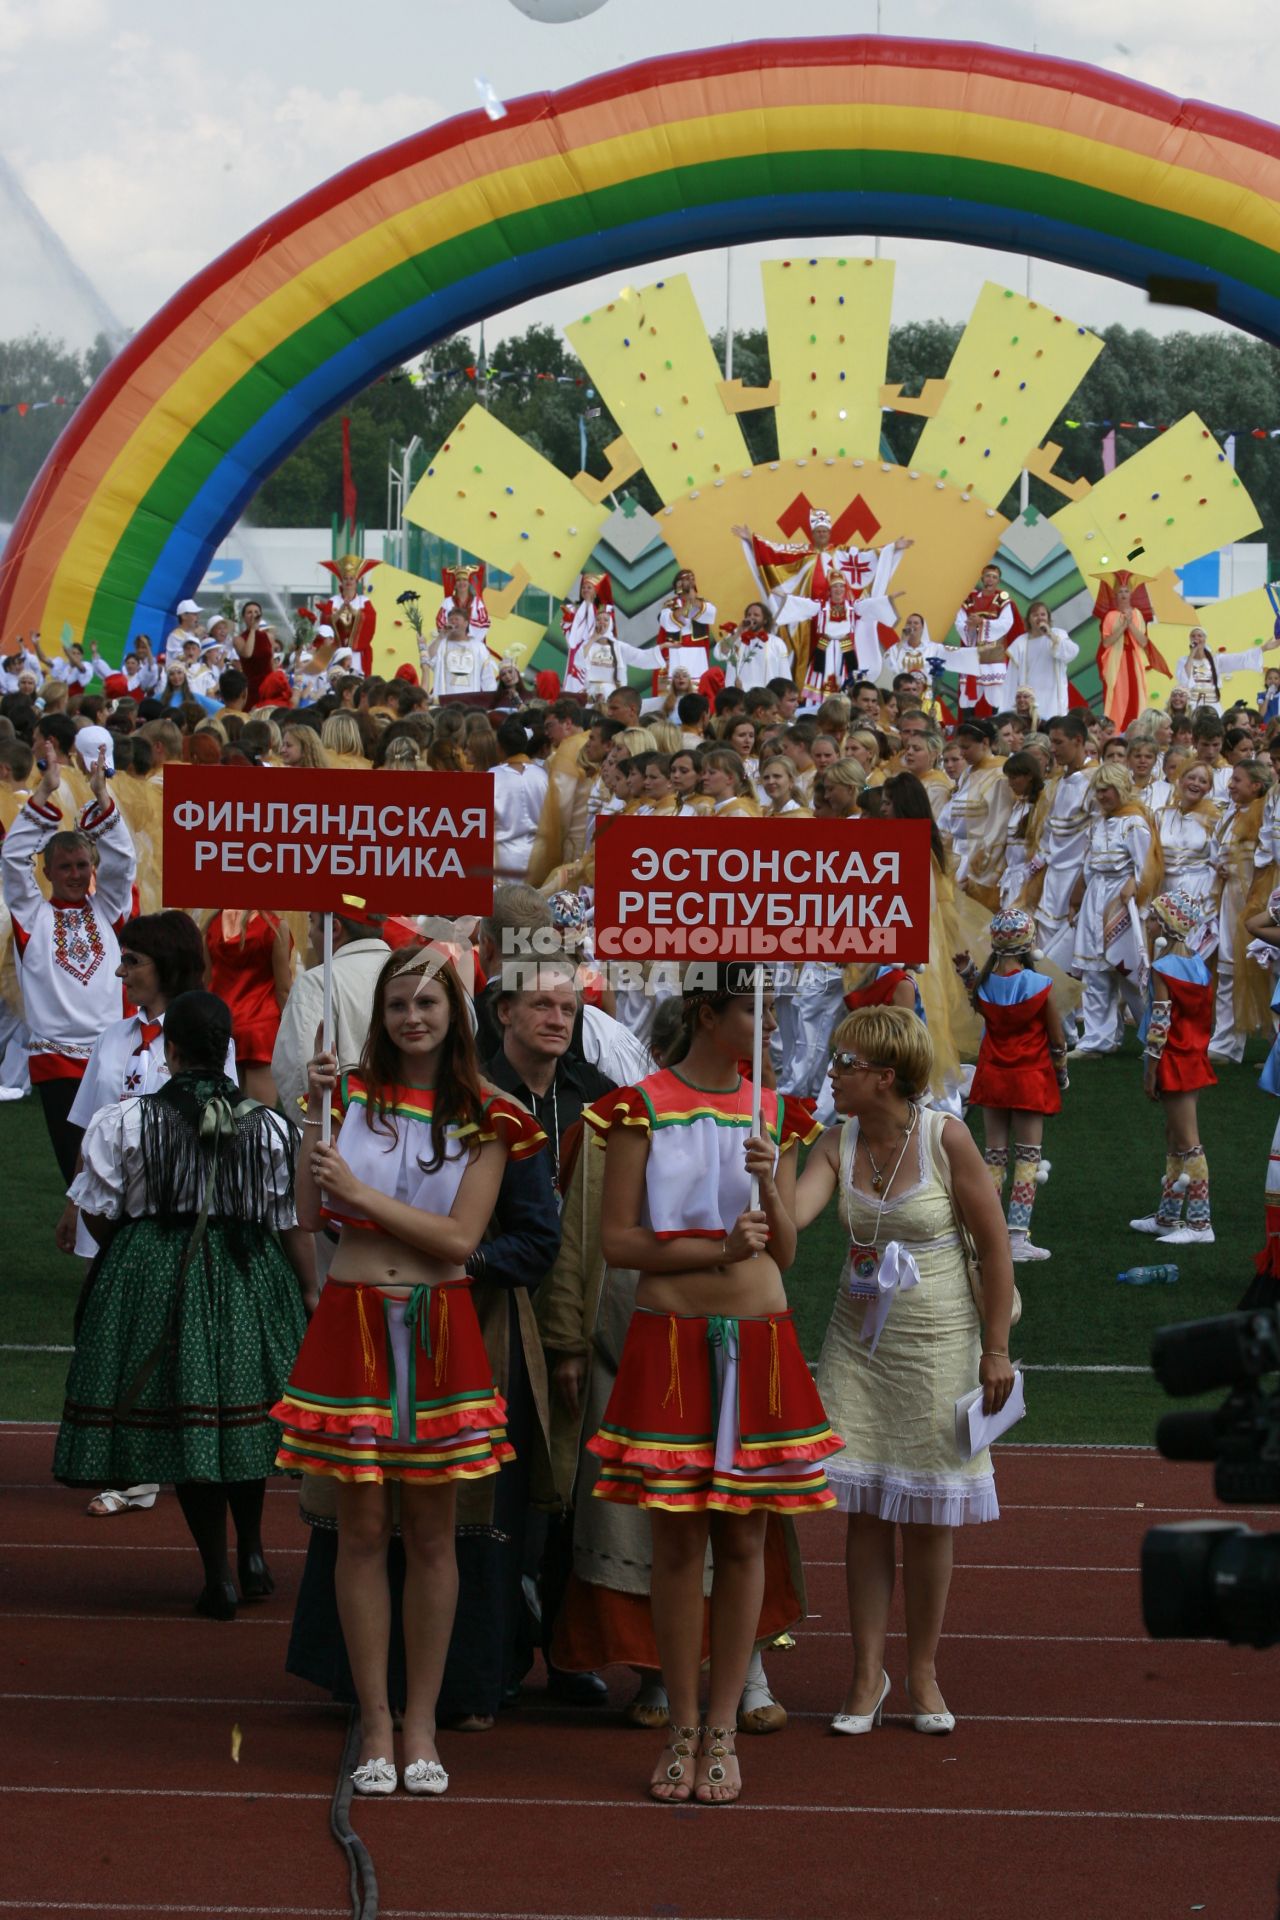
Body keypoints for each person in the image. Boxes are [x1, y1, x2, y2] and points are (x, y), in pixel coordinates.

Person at [271, 945, 546, 1795]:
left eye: (428, 1002)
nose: (411, 1017)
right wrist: (315, 1118)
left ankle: (422, 1720)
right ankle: (377, 1722)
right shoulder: (346, 1093)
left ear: (453, 1014)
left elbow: (461, 1240)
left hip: (440, 1330)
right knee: (358, 1534)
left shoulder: (489, 1112)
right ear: (379, 1014)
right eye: (396, 1004)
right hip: (351, 1327)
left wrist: (364, 1192)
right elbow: (313, 1214)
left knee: (433, 1536)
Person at [584, 970, 837, 1804]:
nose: (769, 1027)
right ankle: (682, 1724)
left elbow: (786, 1254)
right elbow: (620, 1242)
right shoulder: (639, 1107)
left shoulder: (777, 1114)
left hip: (760, 1341)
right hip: (670, 1340)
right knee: (678, 1545)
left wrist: (772, 1184)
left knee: (743, 1543)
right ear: (708, 1013)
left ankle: (724, 1727)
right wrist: (717, 1250)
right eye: (753, 1012)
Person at [53, 990, 312, 1615]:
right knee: (243, 1415)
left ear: (169, 1050)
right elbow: (285, 1217)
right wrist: (306, 1287)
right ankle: (252, 1553)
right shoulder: (272, 1125)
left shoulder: (126, 1121)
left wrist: (133, 1252)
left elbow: (102, 1206)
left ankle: (217, 1573)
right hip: (249, 1275)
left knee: (190, 1422)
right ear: (225, 1050)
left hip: (157, 1272)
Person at [794, 1006, 1015, 1736]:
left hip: (940, 1342)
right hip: (858, 1341)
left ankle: (921, 1673)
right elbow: (793, 1218)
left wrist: (994, 1349)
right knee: (863, 1512)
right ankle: (866, 1675)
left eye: (845, 1063)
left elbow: (994, 1244)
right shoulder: (834, 1139)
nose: (832, 1071)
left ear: (885, 1077)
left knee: (927, 1516)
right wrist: (764, 1170)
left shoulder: (944, 1136)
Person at [1, 744, 136, 1180]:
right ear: (48, 872)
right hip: (56, 1061)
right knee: (77, 1177)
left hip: (114, 1054)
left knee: (122, 1170)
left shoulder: (109, 910)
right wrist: (43, 793)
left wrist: (101, 796)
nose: (75, 874)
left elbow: (124, 862)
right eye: (64, 867)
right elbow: (10, 860)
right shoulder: (31, 916)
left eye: (82, 865)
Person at [967, 910, 1068, 1263]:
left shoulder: (983, 985)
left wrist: (967, 973)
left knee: (993, 1156)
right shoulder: (1040, 987)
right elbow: (1057, 1039)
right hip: (1029, 1078)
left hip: (993, 1076)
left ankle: (987, 1233)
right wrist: (1061, 1072)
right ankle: (1017, 1237)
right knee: (1028, 1157)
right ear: (1029, 944)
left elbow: (976, 1002)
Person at [1131, 892, 1217, 1246]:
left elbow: (1160, 1023)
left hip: (1174, 1059)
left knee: (1188, 1141)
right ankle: (1168, 1215)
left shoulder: (1162, 969)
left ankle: (1200, 1224)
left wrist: (1151, 1069)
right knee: (1175, 1136)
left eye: (1153, 917)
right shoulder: (1198, 964)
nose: (1148, 923)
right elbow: (1206, 1019)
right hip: (1193, 1056)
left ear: (1166, 926)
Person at [1071, 767, 1160, 1058]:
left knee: (1130, 972)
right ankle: (1099, 1039)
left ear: (1121, 788)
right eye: (1097, 790)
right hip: (1096, 896)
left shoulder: (1134, 822)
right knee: (1095, 970)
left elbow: (1148, 864)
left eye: (1106, 789)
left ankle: (1153, 1037)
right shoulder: (1098, 823)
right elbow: (1089, 864)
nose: (1101, 796)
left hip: (1122, 901)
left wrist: (1134, 883)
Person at [1208, 759, 1274, 1062]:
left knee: (1268, 971)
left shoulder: (1265, 814)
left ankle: (1275, 1048)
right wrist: (1219, 867)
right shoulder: (1229, 815)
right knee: (1227, 969)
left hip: (1257, 903)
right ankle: (1225, 1043)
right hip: (1230, 901)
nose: (1230, 785)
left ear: (1256, 786)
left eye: (1237, 780)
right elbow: (1216, 851)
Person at [204, 909, 294, 1106]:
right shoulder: (274, 928)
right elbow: (284, 990)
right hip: (261, 1029)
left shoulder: (212, 925)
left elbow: (207, 982)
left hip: (220, 1026)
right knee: (257, 1115)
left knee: (220, 1111)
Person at [1096, 575, 1170, 732]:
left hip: (1134, 660)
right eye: (1120, 591)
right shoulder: (1110, 616)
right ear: (1116, 595)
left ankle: (1137, 731)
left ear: (1131, 595)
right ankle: (1115, 731)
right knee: (1118, 697)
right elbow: (1107, 643)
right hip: (1117, 662)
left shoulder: (1137, 614)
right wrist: (1122, 627)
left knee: (1137, 695)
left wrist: (1130, 624)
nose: (1123, 594)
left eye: (1126, 591)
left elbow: (1143, 642)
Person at [492, 715, 550, 883]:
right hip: (537, 856)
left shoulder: (492, 776)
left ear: (499, 747)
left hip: (504, 857)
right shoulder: (542, 775)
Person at [1175, 624, 1280, 714]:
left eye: (1199, 635)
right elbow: (1184, 680)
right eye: (1193, 636)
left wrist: (1264, 648)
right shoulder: (1184, 661)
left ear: (1205, 639)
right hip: (1193, 705)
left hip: (1212, 705)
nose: (1196, 638)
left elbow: (1240, 658)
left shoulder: (1216, 660)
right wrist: (1192, 653)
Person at [1156, 762, 1220, 906]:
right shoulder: (1161, 815)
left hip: (1199, 890)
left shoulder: (1214, 818)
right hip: (1164, 888)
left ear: (1208, 788)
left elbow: (1217, 859)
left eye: (1203, 781)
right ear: (1181, 780)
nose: (1196, 784)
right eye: (1191, 778)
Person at [1001, 600, 1078, 718]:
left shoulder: (1058, 635)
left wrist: (1050, 636)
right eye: (1035, 615)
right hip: (1029, 701)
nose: (1039, 618)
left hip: (1054, 700)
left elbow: (1072, 652)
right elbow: (1011, 680)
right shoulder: (1020, 643)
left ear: (1048, 618)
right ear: (1029, 619)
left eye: (1043, 615)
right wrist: (1006, 711)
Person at [713, 606, 791, 691]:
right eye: (748, 615)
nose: (751, 617)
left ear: (765, 620)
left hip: (766, 698)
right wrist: (739, 631)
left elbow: (784, 673)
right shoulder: (736, 638)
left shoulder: (776, 643)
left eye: (756, 615)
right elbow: (720, 654)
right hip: (738, 697)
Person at [232, 601, 274, 708]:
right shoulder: (239, 639)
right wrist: (252, 630)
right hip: (252, 687)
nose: (253, 615)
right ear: (244, 617)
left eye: (256, 612)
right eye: (249, 612)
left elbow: (271, 661)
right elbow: (247, 653)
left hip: (269, 685)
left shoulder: (267, 636)